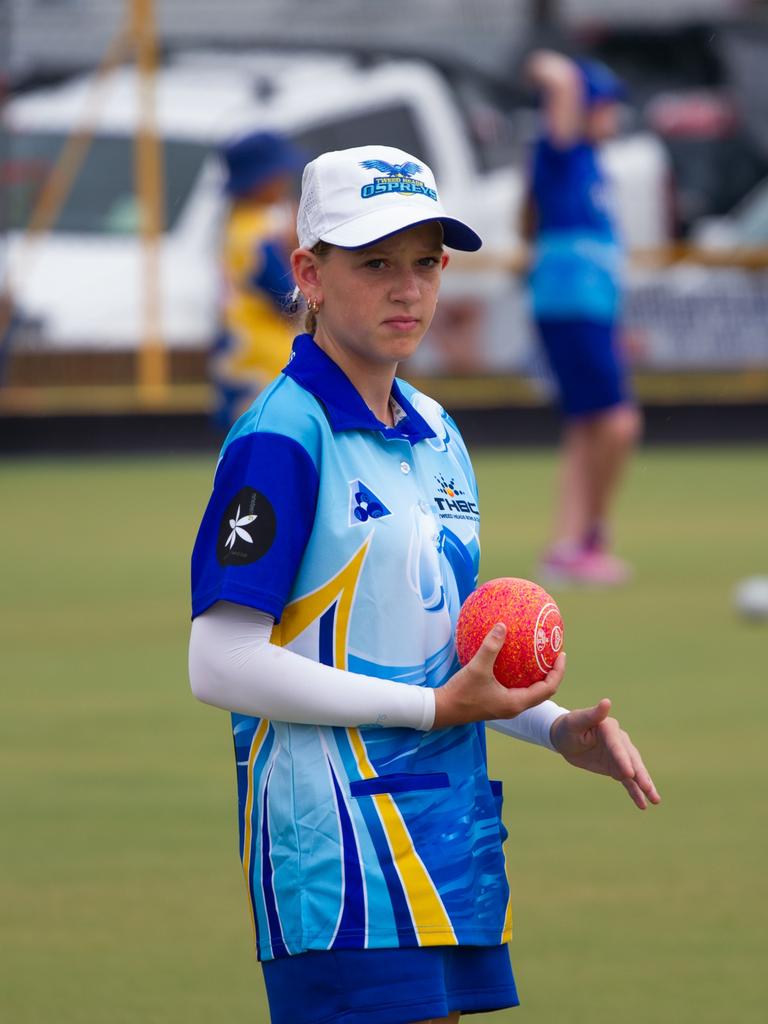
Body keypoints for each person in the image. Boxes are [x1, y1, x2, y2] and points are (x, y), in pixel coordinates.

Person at [189, 145, 660, 1024]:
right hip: (337, 866)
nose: (407, 288)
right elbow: (219, 663)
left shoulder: (439, 430)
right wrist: (432, 713)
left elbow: (440, 665)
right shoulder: (280, 434)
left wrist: (555, 728)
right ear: (310, 274)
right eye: (374, 264)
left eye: (425, 262)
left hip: (448, 842)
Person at [522, 50, 643, 586]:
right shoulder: (563, 152)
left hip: (586, 310)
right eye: (607, 103)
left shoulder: (590, 162)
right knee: (619, 422)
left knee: (587, 427)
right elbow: (556, 77)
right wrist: (559, 66)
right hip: (572, 306)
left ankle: (568, 545)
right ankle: (591, 536)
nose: (614, 115)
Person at [211, 129, 305, 429]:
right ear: (261, 181)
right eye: (279, 173)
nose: (286, 180)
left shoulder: (234, 224)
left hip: (239, 349)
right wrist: (294, 249)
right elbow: (289, 298)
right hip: (261, 356)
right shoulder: (257, 235)